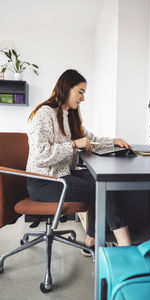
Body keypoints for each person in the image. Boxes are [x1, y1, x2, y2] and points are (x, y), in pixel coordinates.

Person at [26, 69, 132, 255]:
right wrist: (74, 144)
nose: (83, 98)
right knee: (101, 187)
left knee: (106, 181)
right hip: (44, 181)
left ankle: (90, 242)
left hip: (63, 175)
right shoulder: (45, 114)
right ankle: (126, 247)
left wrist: (112, 141)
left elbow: (89, 139)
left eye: (84, 93)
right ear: (66, 88)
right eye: (80, 92)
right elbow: (40, 156)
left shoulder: (69, 115)